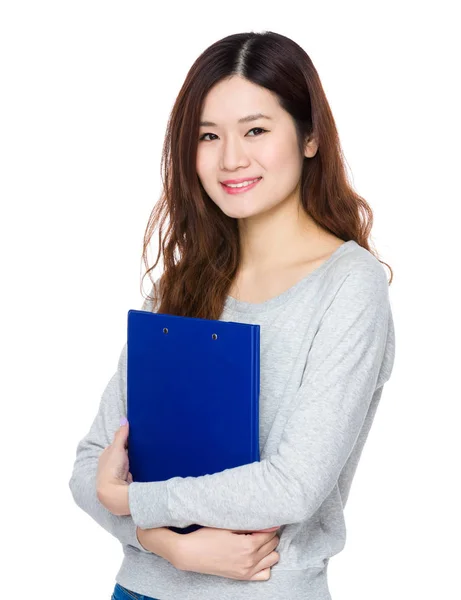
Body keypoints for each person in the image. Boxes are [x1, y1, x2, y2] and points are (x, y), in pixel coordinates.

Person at [69, 30, 395, 600]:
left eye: (255, 130)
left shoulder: (349, 285)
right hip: (138, 589)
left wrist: (139, 502)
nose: (230, 158)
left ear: (310, 135)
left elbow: (292, 487)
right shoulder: (183, 283)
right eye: (208, 135)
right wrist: (164, 543)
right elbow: (90, 465)